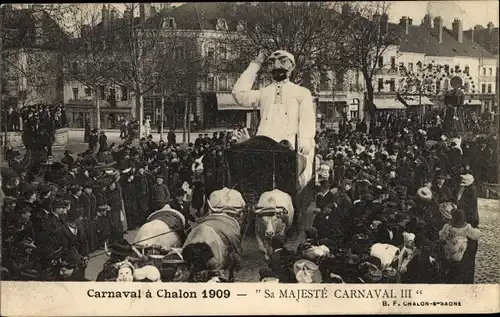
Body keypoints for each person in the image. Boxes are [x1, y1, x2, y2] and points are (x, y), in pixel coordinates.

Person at [232, 49, 316, 187]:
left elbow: (307, 118)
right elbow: (239, 94)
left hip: (289, 144)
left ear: (292, 66)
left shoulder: (302, 92)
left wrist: (305, 139)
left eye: (283, 61)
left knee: (296, 176)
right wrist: (256, 64)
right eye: (272, 62)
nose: (277, 66)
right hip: (264, 142)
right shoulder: (263, 92)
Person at [439, 208, 480, 283]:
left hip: (449, 248)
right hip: (460, 248)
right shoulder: (466, 226)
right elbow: (475, 235)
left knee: (448, 251)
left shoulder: (448, 226)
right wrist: (477, 230)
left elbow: (442, 237)